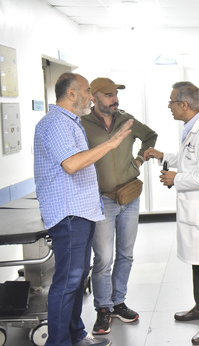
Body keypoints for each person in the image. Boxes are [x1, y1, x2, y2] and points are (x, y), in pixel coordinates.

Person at [34, 72, 134, 346]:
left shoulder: (71, 123)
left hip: (82, 212)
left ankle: (76, 335)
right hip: (69, 215)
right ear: (72, 94)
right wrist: (111, 144)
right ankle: (60, 342)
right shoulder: (55, 123)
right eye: (88, 90)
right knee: (68, 282)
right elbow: (72, 164)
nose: (91, 96)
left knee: (77, 280)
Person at [143, 81, 199, 345]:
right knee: (198, 259)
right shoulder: (192, 128)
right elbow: (190, 158)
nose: (168, 106)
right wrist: (163, 156)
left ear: (184, 104)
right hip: (196, 209)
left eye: (171, 101)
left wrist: (175, 178)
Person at [81, 77, 158, 335]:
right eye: (108, 95)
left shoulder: (128, 120)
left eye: (116, 94)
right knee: (103, 258)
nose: (115, 99)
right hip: (101, 199)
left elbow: (150, 136)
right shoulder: (82, 124)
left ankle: (118, 302)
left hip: (129, 195)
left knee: (126, 254)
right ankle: (103, 309)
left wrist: (138, 160)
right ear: (93, 97)